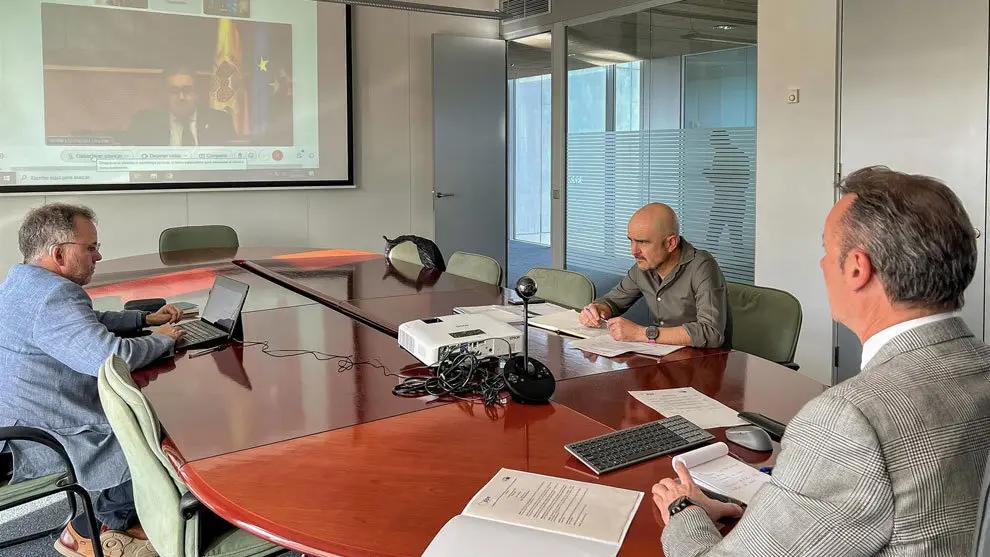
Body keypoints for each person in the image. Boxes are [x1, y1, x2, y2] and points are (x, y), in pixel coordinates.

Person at [652, 166, 990, 556]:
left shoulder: (849, 419)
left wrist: (684, 512)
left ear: (858, 269)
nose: (822, 265)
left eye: (828, 251)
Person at [0, 203, 185, 557]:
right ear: (58, 253)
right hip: (46, 437)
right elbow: (112, 358)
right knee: (163, 435)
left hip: (16, 424)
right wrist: (166, 338)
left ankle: (106, 520)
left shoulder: (22, 283)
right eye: (90, 247)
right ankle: (95, 527)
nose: (98, 255)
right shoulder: (54, 295)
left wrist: (142, 319)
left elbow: (85, 320)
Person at [579, 203, 731, 348]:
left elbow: (711, 332)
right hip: (661, 357)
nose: (634, 251)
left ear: (671, 243)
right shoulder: (644, 266)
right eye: (631, 241)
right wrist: (598, 310)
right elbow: (613, 301)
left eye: (643, 242)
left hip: (704, 363)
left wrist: (643, 333)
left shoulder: (702, 266)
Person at [126, 65, 236, 146]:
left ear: (196, 93)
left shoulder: (220, 121)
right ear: (165, 94)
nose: (181, 97)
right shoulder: (144, 123)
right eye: (174, 91)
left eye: (187, 91)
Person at [703, 129, 751, 252]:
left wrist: (709, 174)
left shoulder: (721, 156)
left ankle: (707, 267)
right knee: (735, 236)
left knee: (713, 236)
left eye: (713, 142)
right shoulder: (740, 154)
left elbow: (720, 179)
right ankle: (740, 265)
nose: (712, 145)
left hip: (724, 201)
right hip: (738, 200)